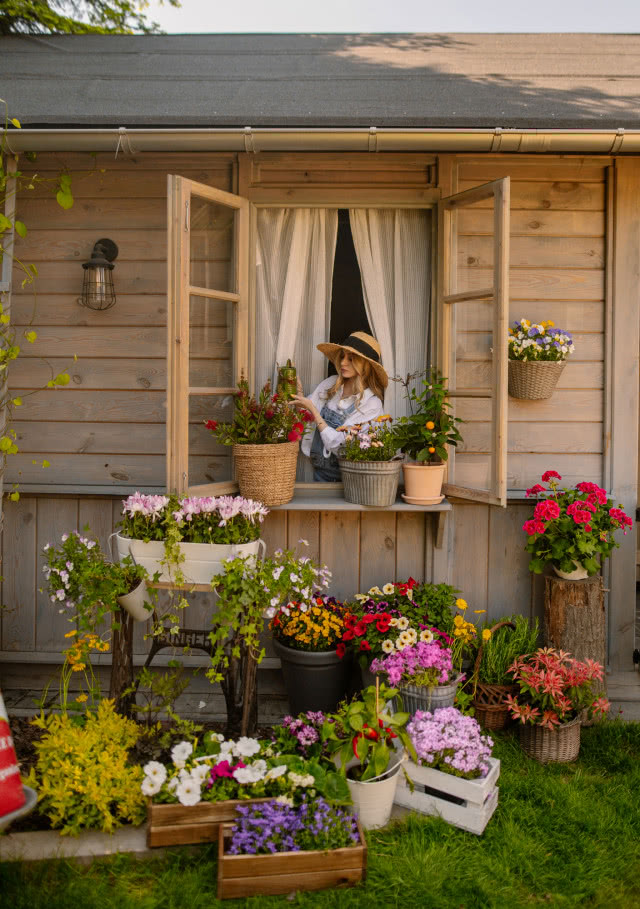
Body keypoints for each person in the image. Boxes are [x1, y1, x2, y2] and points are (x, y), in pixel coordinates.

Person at [291, 331, 388, 481]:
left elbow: (340, 446)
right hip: (319, 474)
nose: (343, 363)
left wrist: (315, 412)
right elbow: (305, 415)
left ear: (365, 365)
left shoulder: (371, 404)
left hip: (347, 481)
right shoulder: (331, 383)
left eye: (351, 359)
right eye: (342, 356)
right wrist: (299, 394)